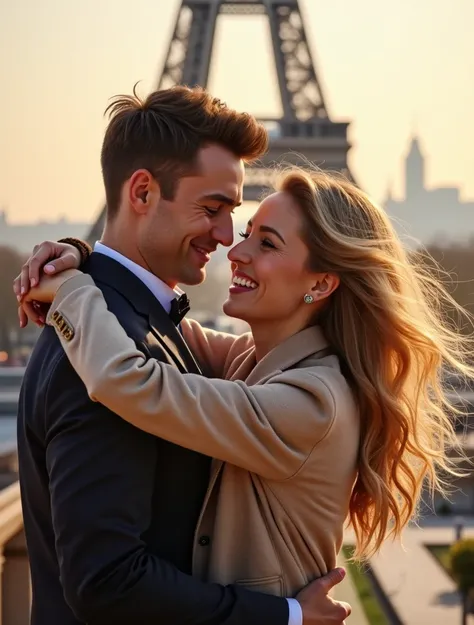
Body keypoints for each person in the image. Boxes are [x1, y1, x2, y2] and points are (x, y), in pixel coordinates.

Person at [20, 168, 470, 609]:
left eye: (267, 243)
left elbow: (127, 379)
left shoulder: (313, 403)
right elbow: (146, 320)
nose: (236, 253)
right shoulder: (253, 359)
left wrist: (71, 292)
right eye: (247, 232)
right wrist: (80, 255)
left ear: (320, 283)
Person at [15, 87, 350, 625]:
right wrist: (80, 261)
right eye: (214, 210)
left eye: (251, 231)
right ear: (142, 192)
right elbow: (107, 579)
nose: (227, 240)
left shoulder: (125, 330)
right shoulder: (105, 338)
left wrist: (79, 271)